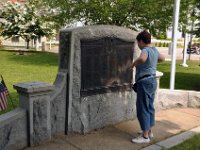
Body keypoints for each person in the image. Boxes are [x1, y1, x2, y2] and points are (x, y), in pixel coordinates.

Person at [130, 30, 165, 144]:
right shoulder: (154, 50)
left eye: (138, 43)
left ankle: (145, 136)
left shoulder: (145, 50)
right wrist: (153, 63)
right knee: (149, 106)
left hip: (144, 82)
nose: (138, 45)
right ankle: (149, 131)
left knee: (142, 108)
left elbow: (143, 59)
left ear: (141, 41)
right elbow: (163, 58)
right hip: (152, 81)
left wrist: (134, 64)